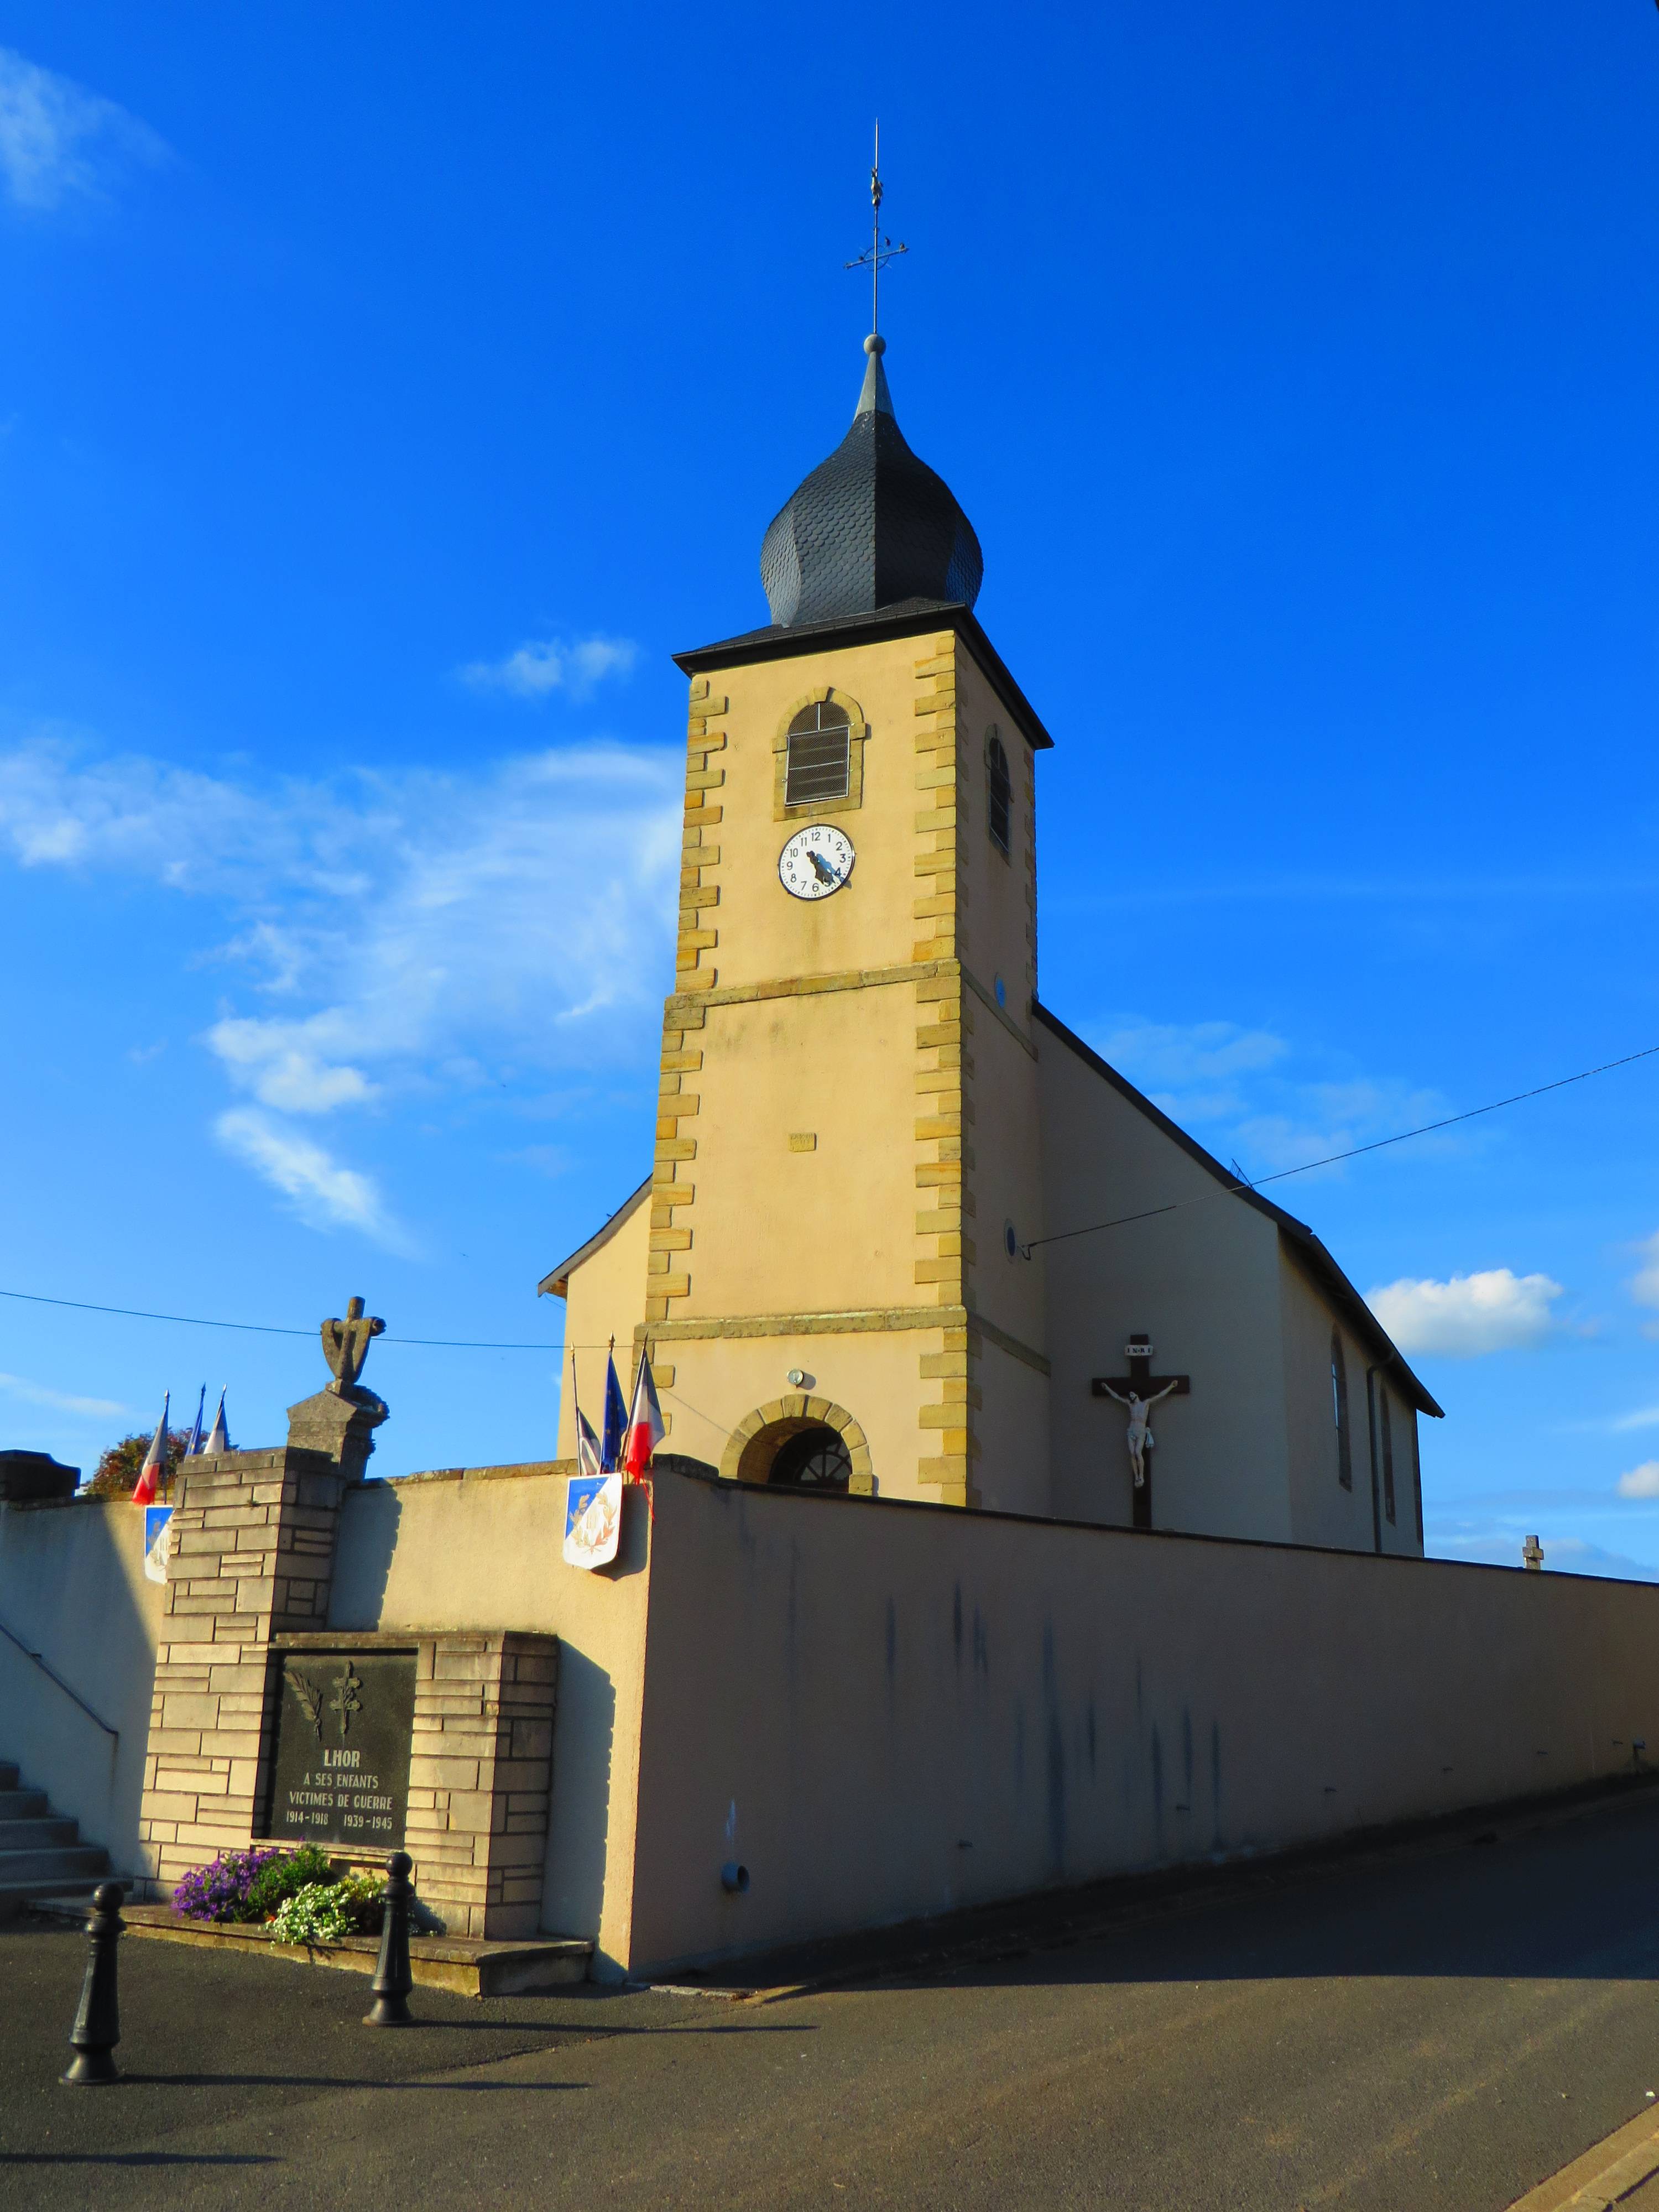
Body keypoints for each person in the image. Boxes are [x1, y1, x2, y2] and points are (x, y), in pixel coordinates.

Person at [1097, 1379, 1180, 1489]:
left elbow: (1160, 1395)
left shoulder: (1146, 1404)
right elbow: (1117, 1397)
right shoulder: (1130, 1405)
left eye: (1132, 1394)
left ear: (1137, 1394)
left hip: (1141, 1431)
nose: (1130, 1396)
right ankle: (1136, 1477)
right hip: (1131, 1430)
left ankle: (1141, 1476)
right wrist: (1107, 1388)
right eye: (1130, 1394)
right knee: (1132, 1453)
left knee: (1137, 1452)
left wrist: (1171, 1386)